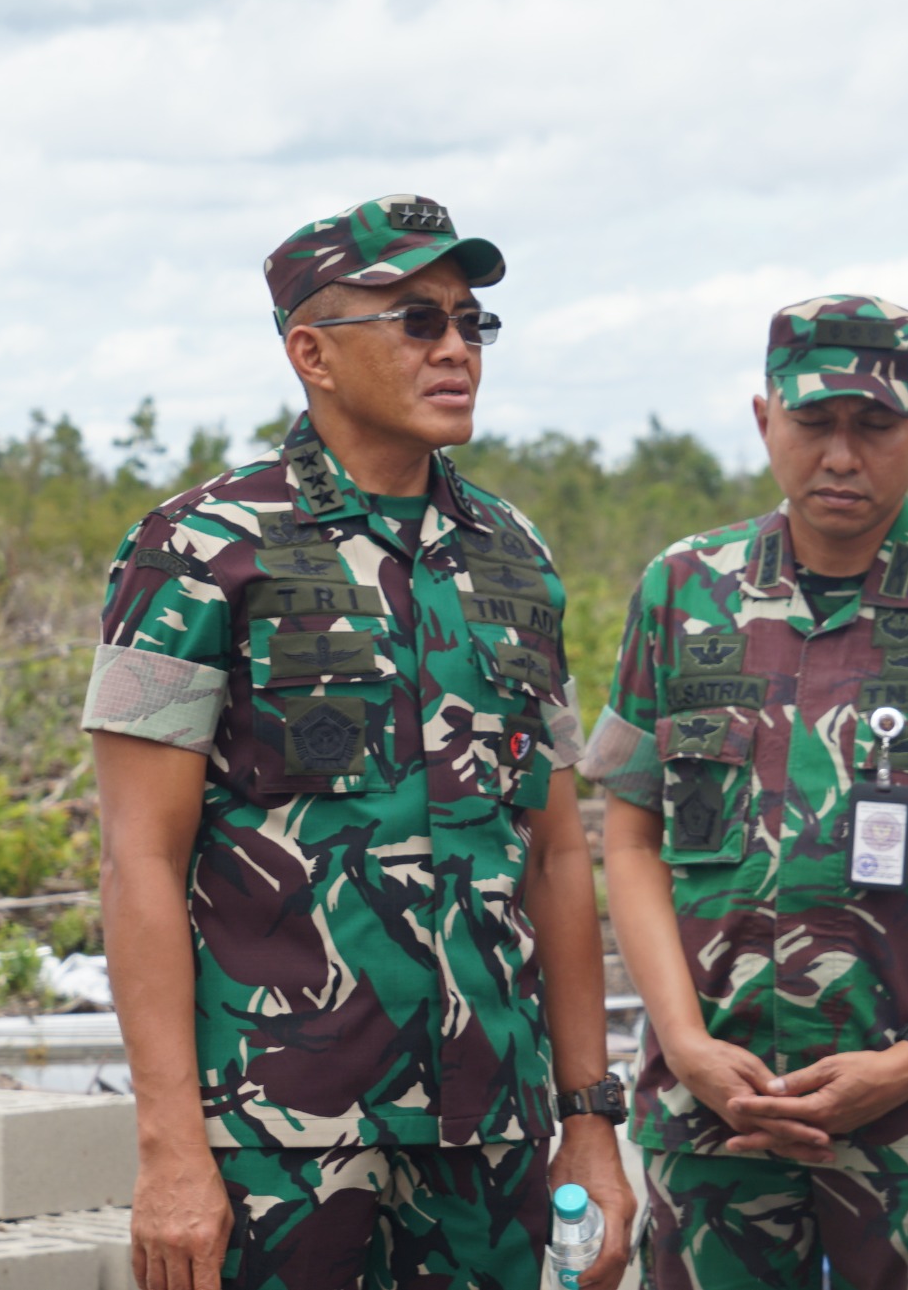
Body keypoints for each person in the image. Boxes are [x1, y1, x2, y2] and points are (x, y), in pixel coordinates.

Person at [83, 194, 634, 1290]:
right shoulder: (194, 549)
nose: (455, 349)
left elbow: (557, 853)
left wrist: (588, 1118)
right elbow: (139, 857)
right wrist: (171, 1146)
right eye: (417, 320)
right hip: (280, 1134)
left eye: (472, 322)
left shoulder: (515, 557)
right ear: (312, 353)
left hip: (491, 1136)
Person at [583, 295, 908, 1289]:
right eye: (814, 422)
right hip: (716, 1115)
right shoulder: (683, 590)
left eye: (875, 426)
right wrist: (682, 1042)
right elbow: (632, 840)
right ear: (764, 418)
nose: (842, 457)